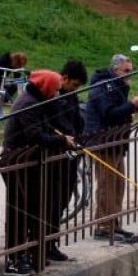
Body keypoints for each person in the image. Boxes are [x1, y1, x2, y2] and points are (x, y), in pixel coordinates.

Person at [0, 70, 75, 276]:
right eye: (55, 90)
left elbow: (53, 123)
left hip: (32, 163)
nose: (57, 95)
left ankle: (36, 250)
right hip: (17, 163)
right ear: (46, 87)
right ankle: (14, 259)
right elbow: (35, 135)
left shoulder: (41, 100)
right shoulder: (28, 103)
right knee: (19, 212)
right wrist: (61, 141)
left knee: (37, 208)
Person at [85, 53, 138, 243]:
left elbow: (118, 113)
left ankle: (114, 224)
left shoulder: (117, 85)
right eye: (126, 71)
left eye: (131, 71)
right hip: (103, 144)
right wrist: (130, 106)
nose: (129, 74)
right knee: (106, 186)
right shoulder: (104, 86)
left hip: (117, 143)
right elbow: (109, 115)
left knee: (118, 185)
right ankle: (103, 226)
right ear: (116, 69)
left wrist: (130, 110)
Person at [45, 59, 86, 262]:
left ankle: (51, 242)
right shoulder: (52, 94)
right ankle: (43, 243)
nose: (74, 90)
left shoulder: (72, 96)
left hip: (71, 155)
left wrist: (79, 139)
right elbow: (55, 122)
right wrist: (65, 138)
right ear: (66, 78)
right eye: (74, 85)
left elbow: (77, 120)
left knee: (62, 200)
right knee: (50, 201)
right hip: (54, 155)